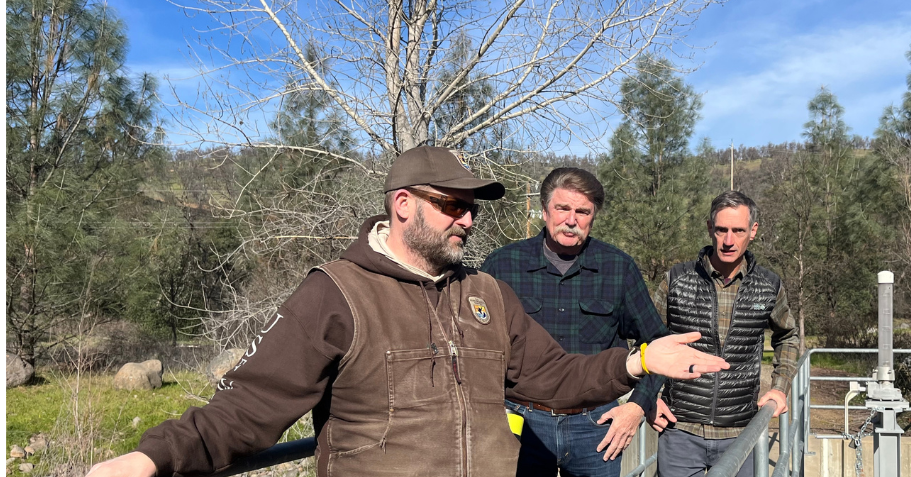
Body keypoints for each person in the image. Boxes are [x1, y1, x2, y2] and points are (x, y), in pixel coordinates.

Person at [85, 147, 728, 477]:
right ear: (402, 205)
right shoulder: (336, 292)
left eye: (471, 207)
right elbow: (250, 406)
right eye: (452, 204)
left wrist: (640, 361)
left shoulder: (484, 292)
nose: (467, 218)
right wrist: (153, 457)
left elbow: (554, 377)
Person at [482, 168, 674, 477]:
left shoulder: (618, 268)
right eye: (562, 208)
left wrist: (638, 405)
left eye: (582, 212)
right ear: (545, 210)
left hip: (596, 425)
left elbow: (656, 344)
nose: (571, 220)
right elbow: (478, 345)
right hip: (521, 420)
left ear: (593, 217)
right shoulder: (502, 265)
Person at [653, 190, 799, 477]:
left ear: (753, 231)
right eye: (721, 230)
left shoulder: (769, 285)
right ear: (710, 228)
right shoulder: (676, 280)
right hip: (680, 430)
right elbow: (646, 341)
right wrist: (648, 397)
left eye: (738, 231)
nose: (729, 240)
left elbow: (787, 336)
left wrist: (780, 388)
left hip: (742, 434)